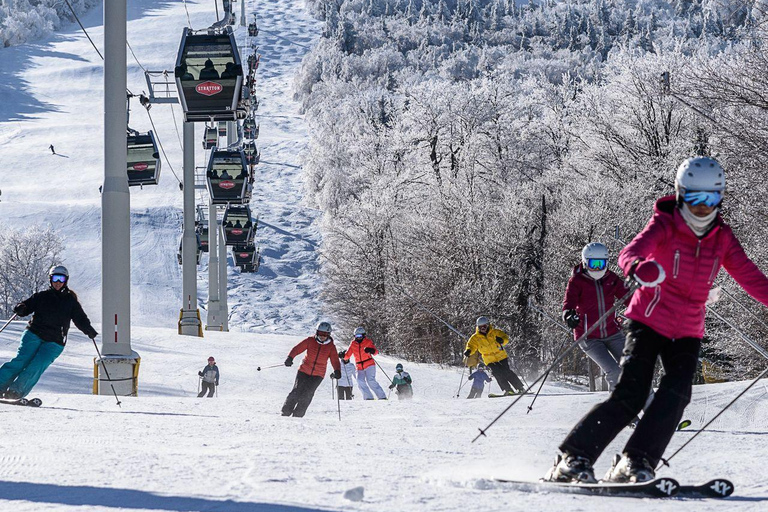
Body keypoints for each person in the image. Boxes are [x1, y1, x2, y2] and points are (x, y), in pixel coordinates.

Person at [546, 156, 768, 484]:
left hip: (688, 329)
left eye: (711, 199)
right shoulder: (665, 224)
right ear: (680, 194)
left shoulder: (722, 237)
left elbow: (750, 276)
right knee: (631, 394)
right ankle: (572, 457)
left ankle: (634, 462)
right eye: (695, 198)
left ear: (719, 198)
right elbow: (630, 253)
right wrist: (639, 268)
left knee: (677, 395)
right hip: (647, 321)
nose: (703, 208)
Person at [0, 265, 98, 399]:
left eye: (61, 279)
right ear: (50, 280)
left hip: (55, 341)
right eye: (55, 278)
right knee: (21, 361)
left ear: (66, 280)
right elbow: (26, 306)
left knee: (36, 366)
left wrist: (89, 330)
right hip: (34, 334)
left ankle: (15, 392)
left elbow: (80, 318)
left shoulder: (70, 301)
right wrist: (21, 308)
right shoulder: (42, 296)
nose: (58, 282)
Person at [562, 242, 629, 390]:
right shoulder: (577, 281)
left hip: (612, 333)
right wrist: (569, 316)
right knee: (615, 372)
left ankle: (647, 406)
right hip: (589, 337)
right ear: (585, 262)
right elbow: (569, 303)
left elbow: (628, 297)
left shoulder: (611, 278)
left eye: (602, 263)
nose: (598, 268)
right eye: (594, 264)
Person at [282, 321, 341, 417]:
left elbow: (335, 360)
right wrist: (290, 357)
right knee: (297, 390)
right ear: (317, 332)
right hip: (304, 370)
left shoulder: (331, 347)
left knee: (308, 393)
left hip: (318, 374)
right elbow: (297, 348)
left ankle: (298, 414)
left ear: (328, 334)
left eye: (325, 334)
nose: (322, 336)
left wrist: (337, 370)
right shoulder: (310, 341)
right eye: (321, 333)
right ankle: (286, 411)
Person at [464, 317, 524, 396]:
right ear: (477, 327)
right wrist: (468, 351)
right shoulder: (475, 338)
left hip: (501, 356)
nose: (483, 328)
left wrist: (502, 340)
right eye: (480, 327)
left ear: (488, 325)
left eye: (484, 326)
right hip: (489, 360)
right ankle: (508, 390)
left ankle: (520, 388)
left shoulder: (495, 332)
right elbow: (471, 346)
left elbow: (505, 338)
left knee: (506, 372)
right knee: (497, 373)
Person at [344, 327, 387, 400]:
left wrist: (371, 350)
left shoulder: (368, 342)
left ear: (364, 336)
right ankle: (368, 397)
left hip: (369, 364)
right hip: (359, 366)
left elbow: (376, 352)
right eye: (357, 336)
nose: (358, 338)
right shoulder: (353, 344)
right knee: (360, 380)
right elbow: (347, 355)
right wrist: (343, 355)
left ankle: (382, 396)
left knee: (370, 380)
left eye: (360, 336)